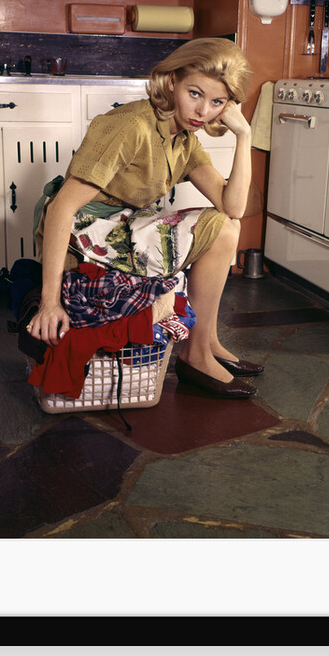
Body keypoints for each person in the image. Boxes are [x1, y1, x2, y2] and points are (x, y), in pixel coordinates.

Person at [27, 37, 263, 398]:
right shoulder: (131, 125)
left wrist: (244, 135)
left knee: (228, 223)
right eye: (195, 93)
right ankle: (196, 355)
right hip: (86, 231)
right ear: (172, 82)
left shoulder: (183, 137)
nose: (202, 110)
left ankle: (207, 341)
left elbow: (232, 205)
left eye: (217, 102)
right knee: (222, 230)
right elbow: (61, 207)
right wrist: (49, 302)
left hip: (121, 227)